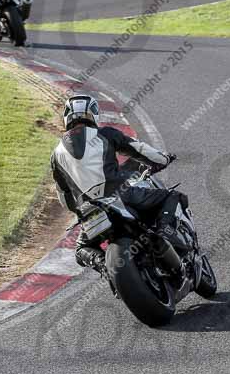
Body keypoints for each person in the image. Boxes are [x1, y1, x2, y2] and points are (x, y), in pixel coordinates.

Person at [51, 94, 188, 276]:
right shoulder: (104, 134)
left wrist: (79, 210)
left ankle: (102, 264)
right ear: (93, 114)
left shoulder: (56, 154)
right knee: (172, 196)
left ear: (67, 116)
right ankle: (164, 231)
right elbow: (137, 149)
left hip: (88, 209)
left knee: (81, 248)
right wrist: (163, 159)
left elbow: (64, 196)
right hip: (121, 195)